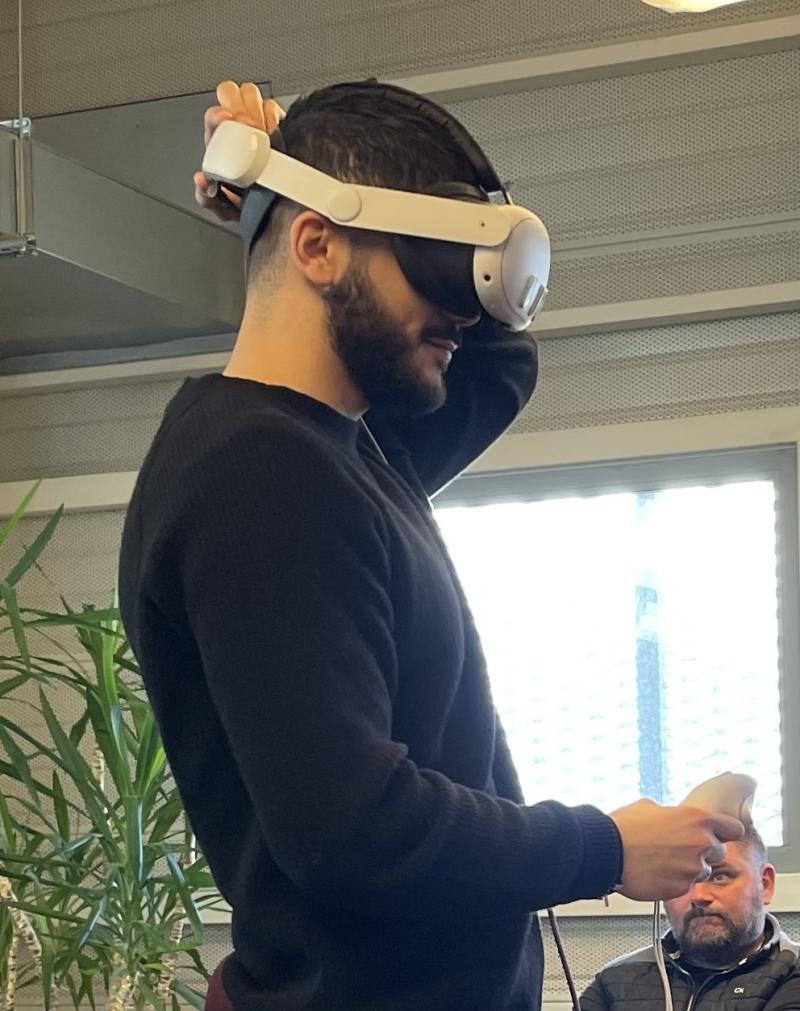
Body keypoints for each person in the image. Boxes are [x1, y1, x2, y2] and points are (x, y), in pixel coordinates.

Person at [118, 79, 743, 1011]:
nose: (467, 308)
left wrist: (276, 184)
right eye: (437, 266)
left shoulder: (357, 451)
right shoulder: (258, 471)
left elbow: (504, 361)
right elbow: (355, 828)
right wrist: (604, 847)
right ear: (318, 246)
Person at [581, 825, 800, 1011]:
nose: (698, 896)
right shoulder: (614, 981)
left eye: (720, 876)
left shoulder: (792, 971)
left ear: (765, 884)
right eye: (682, 880)